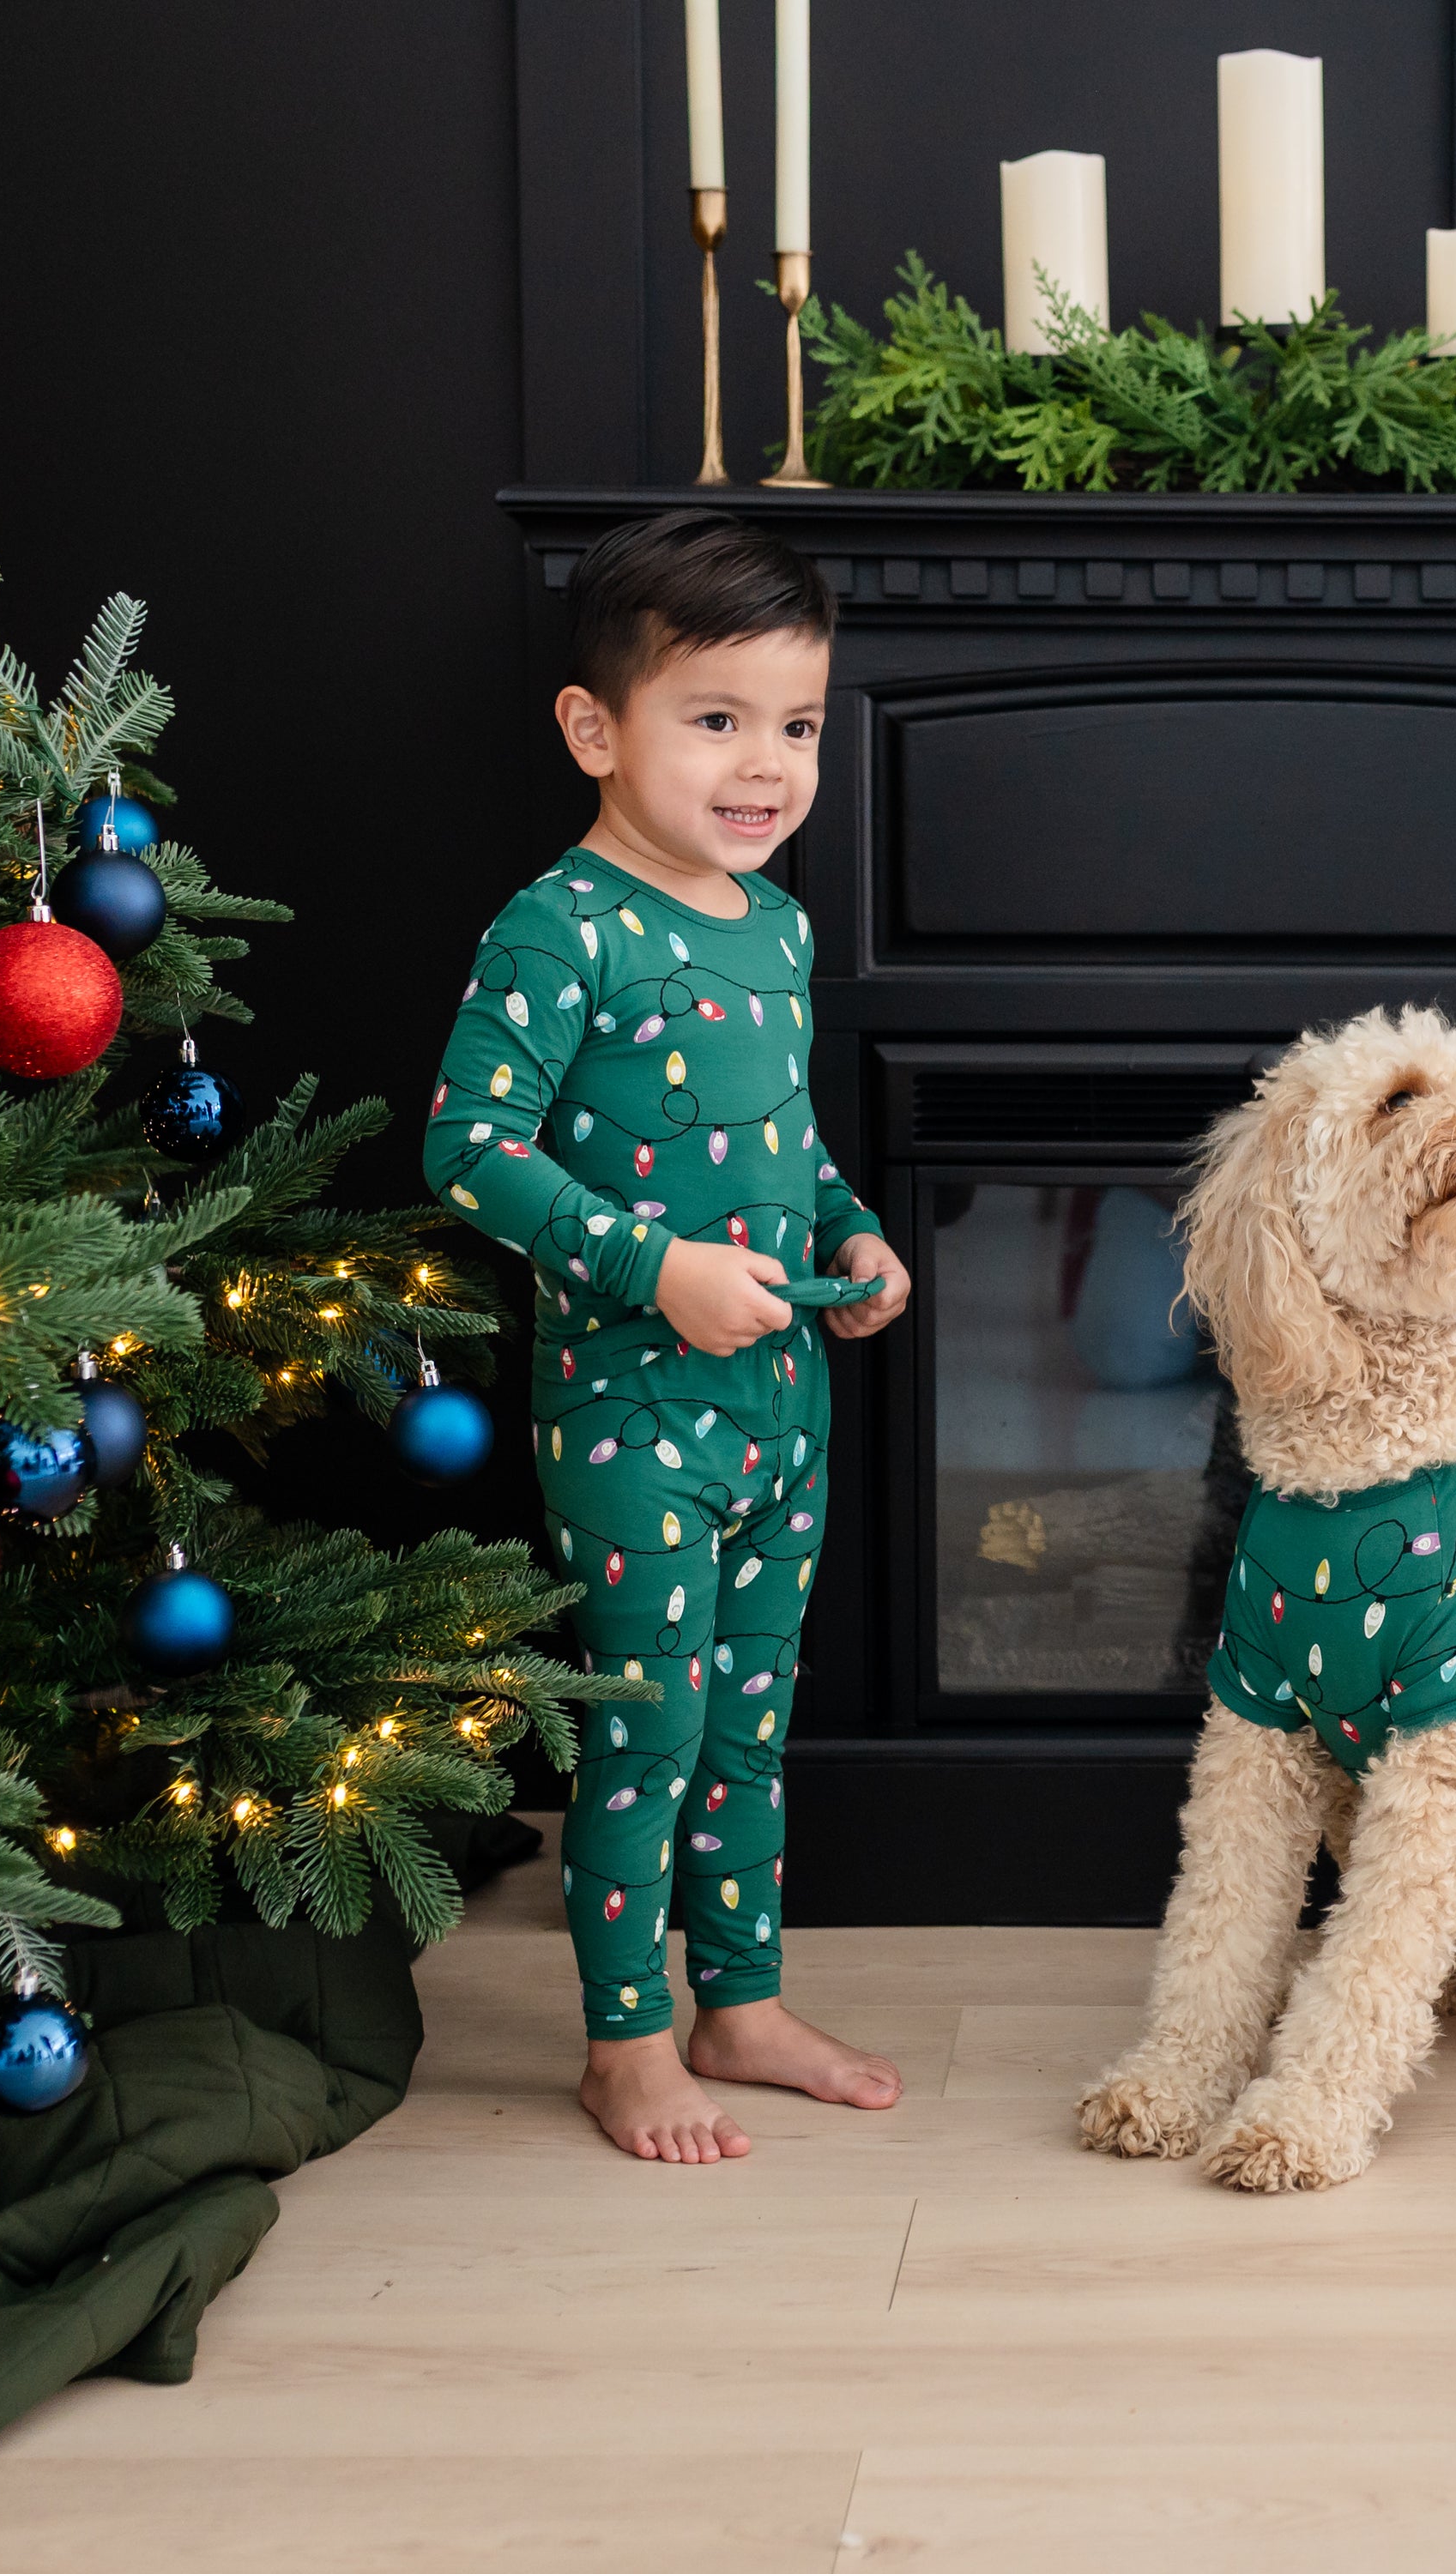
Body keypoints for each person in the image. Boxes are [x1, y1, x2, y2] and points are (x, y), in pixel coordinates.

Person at [424, 510, 911, 2162]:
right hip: (632, 1412)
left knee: (751, 1727)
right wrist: (652, 1267)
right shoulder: (560, 926)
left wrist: (847, 1229)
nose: (765, 765)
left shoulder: (772, 927)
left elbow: (784, 1137)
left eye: (798, 726)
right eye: (716, 719)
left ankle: (741, 2004)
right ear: (595, 730)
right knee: (651, 1730)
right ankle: (625, 2040)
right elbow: (469, 1150)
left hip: (782, 1398)